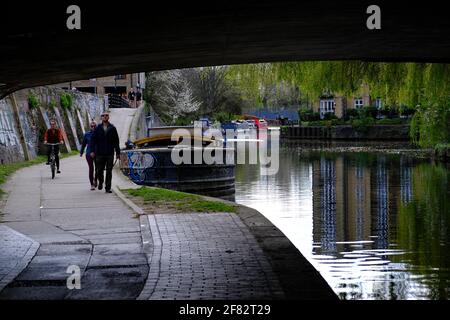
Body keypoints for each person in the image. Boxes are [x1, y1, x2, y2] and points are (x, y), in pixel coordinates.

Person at [90, 112, 120, 193]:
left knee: (109, 171)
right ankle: (101, 182)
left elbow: (116, 141)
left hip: (110, 153)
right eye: (103, 115)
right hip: (99, 153)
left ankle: (108, 187)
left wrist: (118, 153)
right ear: (101, 118)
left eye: (106, 115)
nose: (105, 117)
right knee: (99, 170)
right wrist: (92, 151)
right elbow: (93, 140)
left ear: (108, 117)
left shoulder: (113, 128)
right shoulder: (97, 128)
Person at [80, 120, 98, 190]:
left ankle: (96, 180)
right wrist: (81, 152)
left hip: (98, 153)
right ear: (90, 127)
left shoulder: (99, 134)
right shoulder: (87, 134)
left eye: (94, 126)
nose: (93, 127)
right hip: (89, 153)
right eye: (91, 126)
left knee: (97, 169)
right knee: (91, 169)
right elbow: (84, 144)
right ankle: (92, 184)